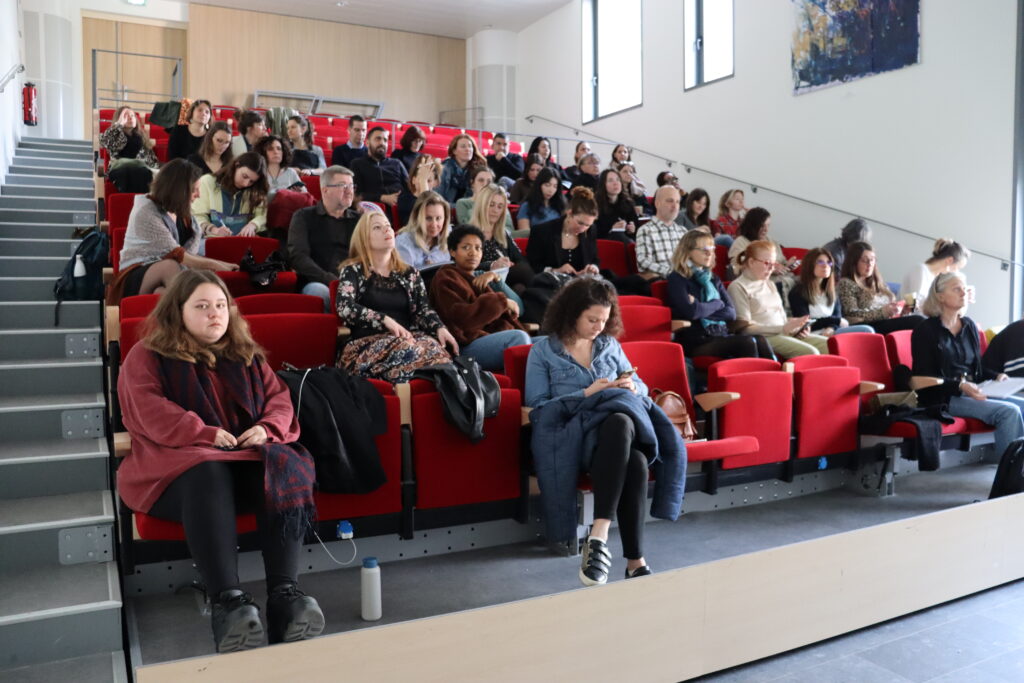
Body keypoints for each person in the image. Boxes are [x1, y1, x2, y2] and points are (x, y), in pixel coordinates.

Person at [117, 270, 323, 652]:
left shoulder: (245, 354)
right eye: (202, 306)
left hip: (239, 466)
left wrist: (266, 428)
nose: (214, 314)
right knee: (207, 469)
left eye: (220, 305)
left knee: (281, 462)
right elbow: (147, 408)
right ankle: (229, 605)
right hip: (171, 475)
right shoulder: (146, 355)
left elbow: (279, 399)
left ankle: (285, 597)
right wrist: (203, 433)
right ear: (177, 312)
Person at [525, 277, 685, 584]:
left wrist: (631, 387)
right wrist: (587, 394)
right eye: (592, 320)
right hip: (578, 437)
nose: (599, 327)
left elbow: (641, 386)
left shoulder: (609, 345)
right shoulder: (543, 351)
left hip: (617, 435)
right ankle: (632, 560)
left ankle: (601, 538)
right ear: (571, 314)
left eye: (604, 319)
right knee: (632, 449)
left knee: (625, 432)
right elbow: (539, 408)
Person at [336, 210, 459, 383]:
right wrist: (384, 320)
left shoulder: (410, 273)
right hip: (366, 345)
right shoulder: (353, 270)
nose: (387, 230)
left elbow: (423, 310)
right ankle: (405, 381)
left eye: (388, 225)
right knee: (410, 350)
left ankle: (415, 382)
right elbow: (344, 307)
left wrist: (440, 328)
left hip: (407, 340)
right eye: (377, 227)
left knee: (438, 351)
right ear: (364, 238)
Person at [913, 272, 1024, 459]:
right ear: (940, 296)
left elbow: (977, 370)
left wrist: (996, 376)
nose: (964, 293)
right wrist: (959, 386)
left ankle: (1019, 467)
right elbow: (924, 376)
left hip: (973, 390)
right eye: (957, 289)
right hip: (943, 397)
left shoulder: (969, 325)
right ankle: (1010, 472)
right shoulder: (925, 330)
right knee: (1008, 412)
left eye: (964, 289)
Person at [108, 159, 236, 304]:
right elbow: (179, 255)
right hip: (136, 275)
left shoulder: (184, 214)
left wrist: (224, 265)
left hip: (171, 276)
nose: (198, 195)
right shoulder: (146, 211)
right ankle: (202, 307)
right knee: (170, 266)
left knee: (161, 293)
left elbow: (189, 255)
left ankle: (197, 309)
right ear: (178, 190)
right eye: (194, 190)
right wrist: (218, 265)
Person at [429, 225, 531, 371]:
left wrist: (496, 279)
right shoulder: (446, 276)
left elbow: (518, 308)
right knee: (518, 339)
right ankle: (521, 386)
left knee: (549, 343)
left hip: (494, 338)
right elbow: (462, 321)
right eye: (466, 247)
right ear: (452, 251)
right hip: (466, 346)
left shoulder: (480, 277)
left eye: (478, 248)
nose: (473, 253)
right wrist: (501, 302)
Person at [667, 230, 774, 359]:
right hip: (696, 340)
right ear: (688, 252)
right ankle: (753, 373)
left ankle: (775, 372)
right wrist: (717, 304)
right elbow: (691, 313)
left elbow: (731, 313)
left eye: (712, 249)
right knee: (747, 342)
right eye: (704, 250)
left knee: (761, 340)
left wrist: (700, 307)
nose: (709, 253)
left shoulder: (713, 279)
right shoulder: (677, 278)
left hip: (720, 334)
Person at [728, 240, 829, 358]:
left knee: (830, 344)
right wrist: (782, 328)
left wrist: (797, 326)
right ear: (751, 262)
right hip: (764, 337)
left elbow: (781, 319)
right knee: (811, 353)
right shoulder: (738, 287)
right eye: (767, 263)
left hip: (781, 332)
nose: (771, 268)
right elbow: (744, 330)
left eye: (773, 264)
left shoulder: (770, 284)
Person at [287, 165, 360, 311]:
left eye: (351, 186)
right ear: (325, 190)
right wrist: (330, 280)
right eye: (343, 185)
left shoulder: (360, 220)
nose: (349, 191)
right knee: (320, 293)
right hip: (318, 281)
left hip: (355, 282)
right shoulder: (303, 217)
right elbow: (298, 257)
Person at [837, 241, 923, 333]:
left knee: (922, 320)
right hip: (866, 325)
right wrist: (883, 312)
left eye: (872, 259)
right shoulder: (846, 283)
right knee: (918, 320)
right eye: (865, 260)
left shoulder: (878, 283)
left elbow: (891, 313)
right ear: (854, 262)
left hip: (885, 323)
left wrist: (903, 311)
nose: (870, 264)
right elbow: (851, 313)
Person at [787, 247, 874, 336]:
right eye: (820, 262)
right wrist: (835, 321)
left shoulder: (832, 292)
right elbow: (803, 323)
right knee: (866, 330)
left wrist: (831, 327)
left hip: (832, 332)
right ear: (809, 265)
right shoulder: (798, 292)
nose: (825, 266)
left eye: (829, 262)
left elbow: (838, 317)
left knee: (868, 330)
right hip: (813, 334)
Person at [192, 152, 269, 237]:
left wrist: (253, 225)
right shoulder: (207, 182)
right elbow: (197, 216)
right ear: (236, 165)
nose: (246, 184)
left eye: (252, 181)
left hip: (242, 242)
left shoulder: (256, 189)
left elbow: (262, 215)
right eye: (244, 176)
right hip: (212, 240)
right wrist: (214, 230)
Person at [727, 207, 796, 300]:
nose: (766, 229)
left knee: (803, 282)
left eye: (768, 225)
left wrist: (787, 265)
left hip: (783, 280)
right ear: (753, 225)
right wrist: (770, 268)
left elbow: (781, 262)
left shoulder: (771, 241)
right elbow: (737, 268)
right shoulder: (741, 242)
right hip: (762, 285)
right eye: (762, 226)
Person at [470, 184, 529, 278]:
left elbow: (520, 260)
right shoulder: (467, 234)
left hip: (504, 280)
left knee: (521, 278)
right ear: (482, 206)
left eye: (500, 207)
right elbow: (464, 266)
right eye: (491, 205)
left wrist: (510, 264)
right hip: (480, 280)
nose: (495, 210)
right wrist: (492, 265)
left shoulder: (503, 234)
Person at [100, 106, 159, 193]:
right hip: (120, 170)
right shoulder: (115, 135)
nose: (130, 118)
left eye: (132, 115)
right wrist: (119, 125)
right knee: (132, 172)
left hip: (142, 170)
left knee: (146, 173)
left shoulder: (141, 137)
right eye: (126, 116)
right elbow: (104, 142)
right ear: (119, 119)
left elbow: (151, 160)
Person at [901, 238, 971, 308]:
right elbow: (912, 304)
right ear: (949, 260)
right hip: (909, 313)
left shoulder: (937, 279)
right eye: (958, 267)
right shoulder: (920, 270)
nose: (957, 271)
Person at [635, 185, 686, 279]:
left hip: (686, 280)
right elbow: (643, 262)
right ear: (657, 204)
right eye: (670, 201)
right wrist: (673, 273)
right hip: (664, 281)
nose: (675, 206)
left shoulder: (683, 231)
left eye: (677, 202)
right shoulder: (646, 230)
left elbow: (691, 259)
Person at [351, 126, 409, 207]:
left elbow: (410, 188)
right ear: (367, 143)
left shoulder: (397, 163)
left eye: (385, 140)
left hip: (401, 206)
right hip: (373, 209)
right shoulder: (357, 164)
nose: (382, 143)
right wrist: (382, 198)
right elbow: (356, 195)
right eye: (378, 139)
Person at [395, 191, 452, 270]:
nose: (434, 224)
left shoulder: (449, 234)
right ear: (416, 218)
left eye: (438, 218)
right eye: (428, 218)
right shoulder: (404, 243)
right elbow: (404, 276)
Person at [254, 135, 305, 204]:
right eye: (270, 149)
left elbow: (305, 195)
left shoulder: (291, 172)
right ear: (263, 153)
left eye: (279, 148)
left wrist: (298, 194)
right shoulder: (258, 174)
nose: (276, 152)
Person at [439, 134, 487, 204]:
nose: (467, 149)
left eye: (470, 146)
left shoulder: (477, 169)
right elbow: (438, 197)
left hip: (470, 206)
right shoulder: (445, 168)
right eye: (463, 146)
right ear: (454, 151)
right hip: (447, 206)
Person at [397, 154, 442, 227]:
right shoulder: (404, 199)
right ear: (413, 180)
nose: (424, 183)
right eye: (421, 179)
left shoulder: (438, 199)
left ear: (435, 183)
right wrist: (423, 181)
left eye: (428, 181)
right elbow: (427, 214)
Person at [516, 167, 566, 232]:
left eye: (555, 186)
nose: (551, 190)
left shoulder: (561, 205)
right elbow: (524, 233)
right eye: (547, 185)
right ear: (539, 185)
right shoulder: (527, 206)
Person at [594, 169, 637, 241]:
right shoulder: (595, 204)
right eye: (610, 180)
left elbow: (635, 225)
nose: (615, 183)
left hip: (626, 240)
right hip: (605, 242)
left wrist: (632, 229)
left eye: (618, 180)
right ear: (603, 184)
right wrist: (612, 229)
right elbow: (593, 232)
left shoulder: (628, 202)